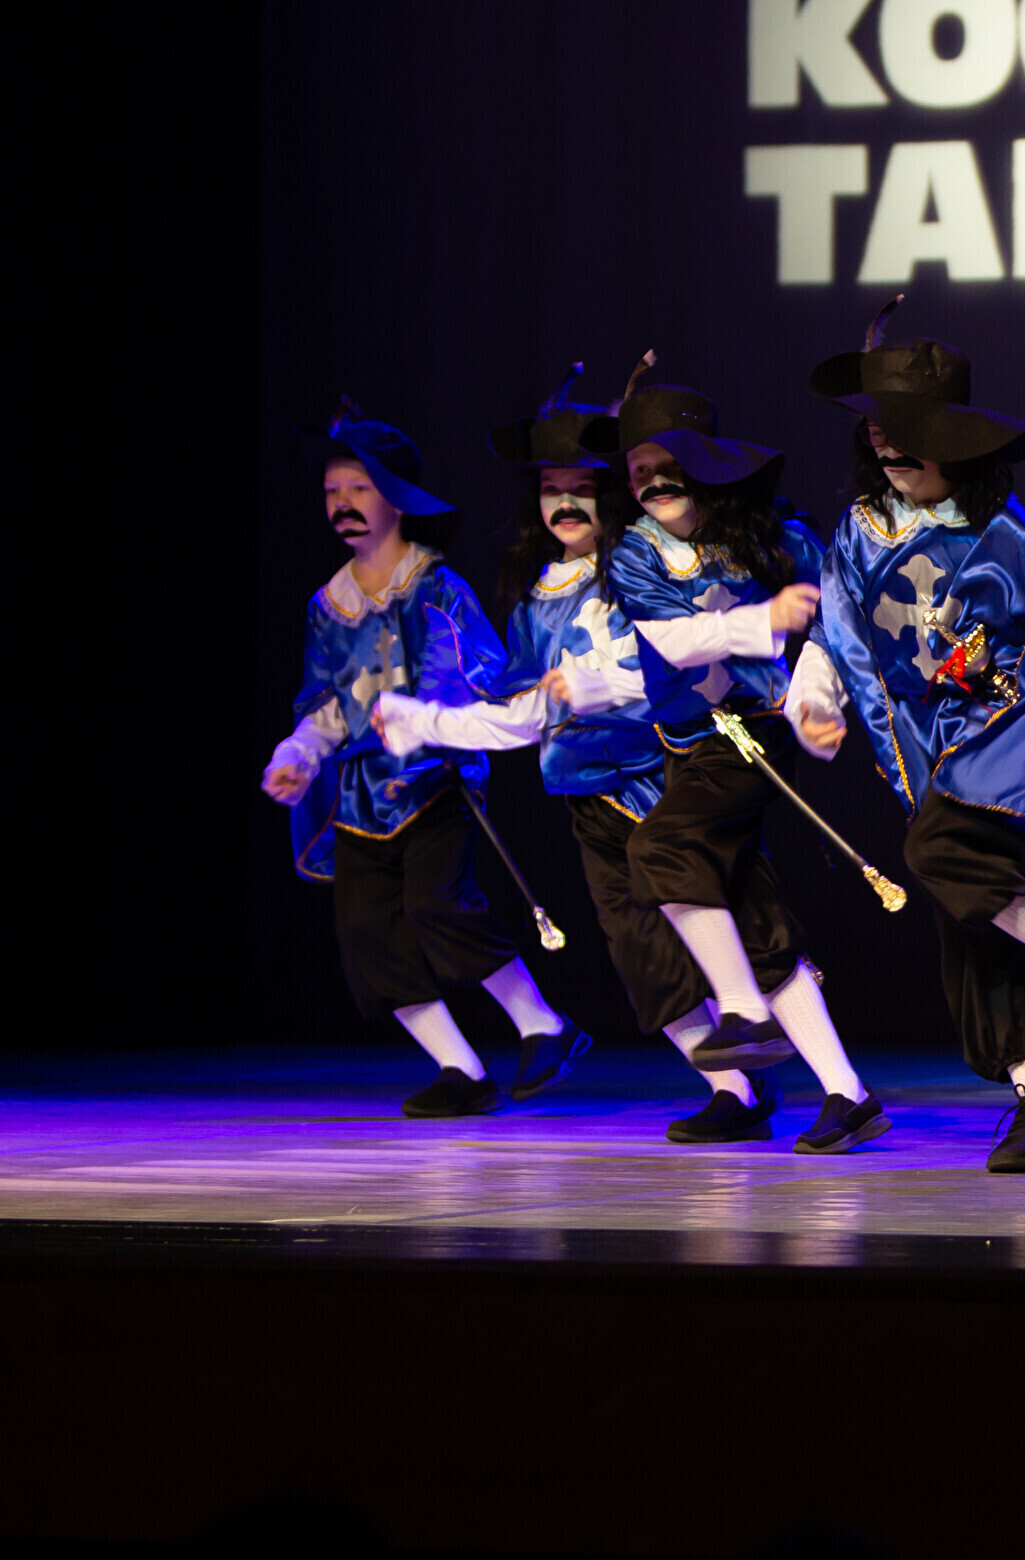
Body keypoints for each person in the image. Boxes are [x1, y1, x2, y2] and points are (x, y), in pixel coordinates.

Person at [373, 362, 777, 1141]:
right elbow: (524, 713)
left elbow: (674, 675)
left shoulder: (641, 574)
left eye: (580, 488)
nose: (563, 503)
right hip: (588, 800)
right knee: (641, 956)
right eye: (549, 489)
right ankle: (733, 1089)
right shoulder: (536, 600)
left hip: (661, 781)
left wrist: (595, 689)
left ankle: (828, 1082)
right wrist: (429, 723)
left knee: (738, 934)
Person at [784, 304, 1025, 1174]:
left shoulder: (1008, 535)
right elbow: (834, 634)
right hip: (916, 746)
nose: (888, 445)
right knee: (974, 928)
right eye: (879, 430)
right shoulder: (859, 530)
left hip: (1004, 733)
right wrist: (813, 703)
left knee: (937, 851)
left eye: (908, 431)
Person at [570, 375, 883, 1154]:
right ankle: (848, 1095)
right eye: (638, 471)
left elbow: (839, 616)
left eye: (667, 465)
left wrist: (817, 700)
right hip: (688, 746)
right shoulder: (634, 554)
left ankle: (741, 1012)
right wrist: (763, 618)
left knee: (660, 847)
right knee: (749, 914)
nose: (652, 482)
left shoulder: (772, 534)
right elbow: (672, 642)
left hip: (753, 734)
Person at [260, 404, 580, 1117]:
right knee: (367, 935)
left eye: (359, 489)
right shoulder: (326, 605)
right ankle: (459, 1067)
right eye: (332, 492)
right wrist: (300, 754)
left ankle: (542, 1023)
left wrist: (432, 717)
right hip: (360, 795)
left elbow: (485, 677)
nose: (342, 504)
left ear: (396, 499)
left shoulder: (437, 587)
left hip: (434, 781)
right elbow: (326, 702)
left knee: (438, 905)